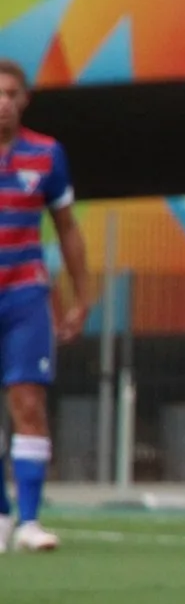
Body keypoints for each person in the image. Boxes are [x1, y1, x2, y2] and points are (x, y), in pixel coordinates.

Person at [0, 60, 89, 554]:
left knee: (28, 405)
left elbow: (68, 230)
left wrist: (82, 296)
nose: (4, 102)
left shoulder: (47, 153)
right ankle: (1, 515)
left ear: (25, 99)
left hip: (26, 295)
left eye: (13, 93)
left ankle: (31, 522)